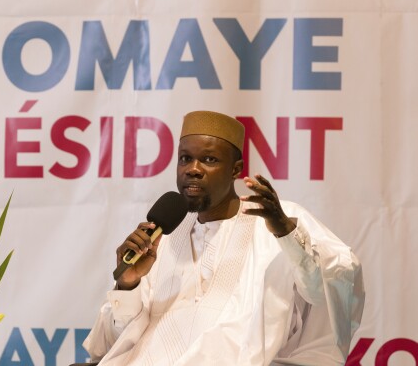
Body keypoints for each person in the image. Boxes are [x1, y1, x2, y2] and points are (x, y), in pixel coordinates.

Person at [81, 111, 364, 365]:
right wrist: (128, 284)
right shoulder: (164, 235)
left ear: (236, 169)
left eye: (209, 159)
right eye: (185, 158)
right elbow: (109, 345)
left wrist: (285, 232)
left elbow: (327, 290)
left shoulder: (279, 219)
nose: (193, 168)